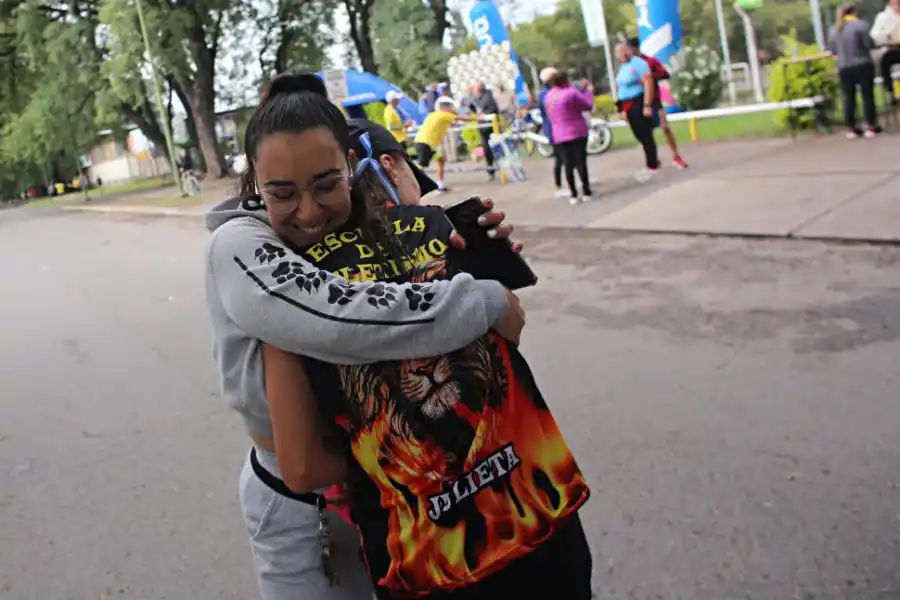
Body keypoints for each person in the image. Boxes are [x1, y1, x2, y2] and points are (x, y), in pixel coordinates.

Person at [232, 73, 592, 600]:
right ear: (257, 191)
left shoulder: (289, 291)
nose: (308, 211)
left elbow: (304, 464)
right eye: (284, 195)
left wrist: (388, 453)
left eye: (325, 185)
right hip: (536, 518)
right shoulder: (428, 232)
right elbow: (511, 325)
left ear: (352, 168)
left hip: (438, 556)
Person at [626, 38, 688, 169]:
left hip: (654, 100)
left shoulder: (650, 61)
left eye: (634, 48)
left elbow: (665, 74)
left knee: (664, 127)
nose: (632, 51)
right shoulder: (628, 66)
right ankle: (653, 160)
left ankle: (676, 156)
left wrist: (649, 76)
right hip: (638, 103)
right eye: (630, 49)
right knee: (645, 133)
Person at [831, 3, 881, 138]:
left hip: (844, 67)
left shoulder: (835, 29)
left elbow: (833, 50)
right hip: (862, 64)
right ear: (853, 12)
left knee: (849, 98)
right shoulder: (861, 25)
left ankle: (852, 128)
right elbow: (869, 44)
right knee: (867, 96)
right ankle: (870, 125)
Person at [545, 70, 595, 205]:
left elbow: (549, 113)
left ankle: (573, 194)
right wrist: (588, 93)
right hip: (576, 130)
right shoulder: (571, 93)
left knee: (567, 164)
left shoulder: (549, 96)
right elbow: (587, 106)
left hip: (559, 133)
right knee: (580, 162)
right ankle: (586, 191)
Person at [614, 42, 660, 182]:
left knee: (645, 134)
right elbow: (621, 88)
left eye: (622, 52)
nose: (620, 56)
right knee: (638, 134)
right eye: (618, 54)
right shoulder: (623, 67)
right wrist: (621, 109)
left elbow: (648, 83)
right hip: (627, 104)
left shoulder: (638, 64)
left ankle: (652, 165)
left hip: (638, 101)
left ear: (627, 51)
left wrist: (647, 104)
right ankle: (652, 160)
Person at [413, 96, 478, 193]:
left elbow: (451, 122)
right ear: (444, 107)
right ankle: (412, 186)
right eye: (450, 106)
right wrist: (479, 118)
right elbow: (461, 118)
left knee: (440, 160)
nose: (452, 108)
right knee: (421, 167)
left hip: (428, 144)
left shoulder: (434, 115)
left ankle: (439, 184)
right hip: (424, 143)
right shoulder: (443, 114)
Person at [538, 67, 566, 198]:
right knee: (560, 158)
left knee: (565, 157)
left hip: (558, 128)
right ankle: (559, 185)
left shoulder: (551, 92)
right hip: (555, 129)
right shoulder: (546, 94)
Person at [870, 0, 900, 104]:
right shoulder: (883, 17)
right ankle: (890, 91)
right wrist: (887, 36)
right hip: (892, 47)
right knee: (885, 60)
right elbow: (875, 34)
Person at [469, 82, 500, 180]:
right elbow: (476, 110)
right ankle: (491, 171)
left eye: (474, 88)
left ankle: (502, 168)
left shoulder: (488, 96)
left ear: (479, 88)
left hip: (491, 127)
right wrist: (472, 108)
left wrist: (484, 114)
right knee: (486, 150)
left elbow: (494, 109)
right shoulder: (476, 97)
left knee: (496, 148)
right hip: (482, 128)